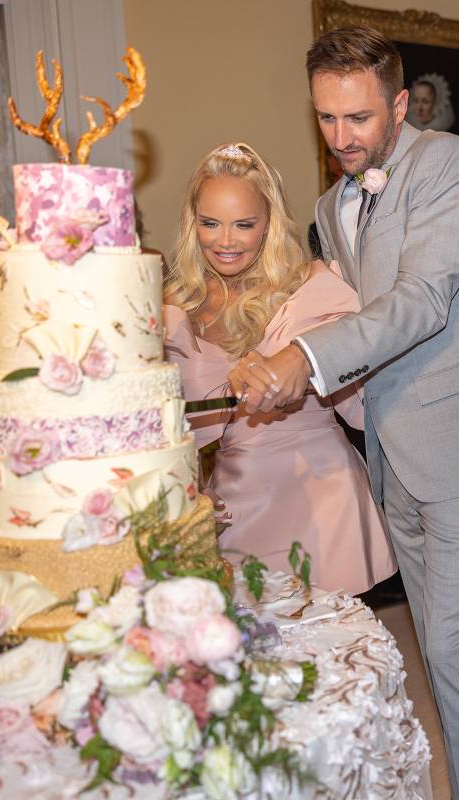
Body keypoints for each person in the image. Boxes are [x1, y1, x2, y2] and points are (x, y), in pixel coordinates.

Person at [228, 27, 459, 796]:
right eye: (326, 118)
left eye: (358, 118)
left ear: (399, 103)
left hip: (450, 447)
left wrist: (307, 359)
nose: (341, 137)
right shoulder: (332, 202)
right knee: (433, 649)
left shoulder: (445, 165)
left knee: (454, 655)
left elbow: (420, 301)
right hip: (393, 457)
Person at [164, 142, 395, 593]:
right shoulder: (176, 312)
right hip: (235, 511)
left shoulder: (312, 290)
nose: (225, 241)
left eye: (243, 224)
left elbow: (367, 405)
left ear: (268, 223)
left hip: (321, 503)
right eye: (210, 223)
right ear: (193, 224)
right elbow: (174, 437)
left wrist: (308, 365)